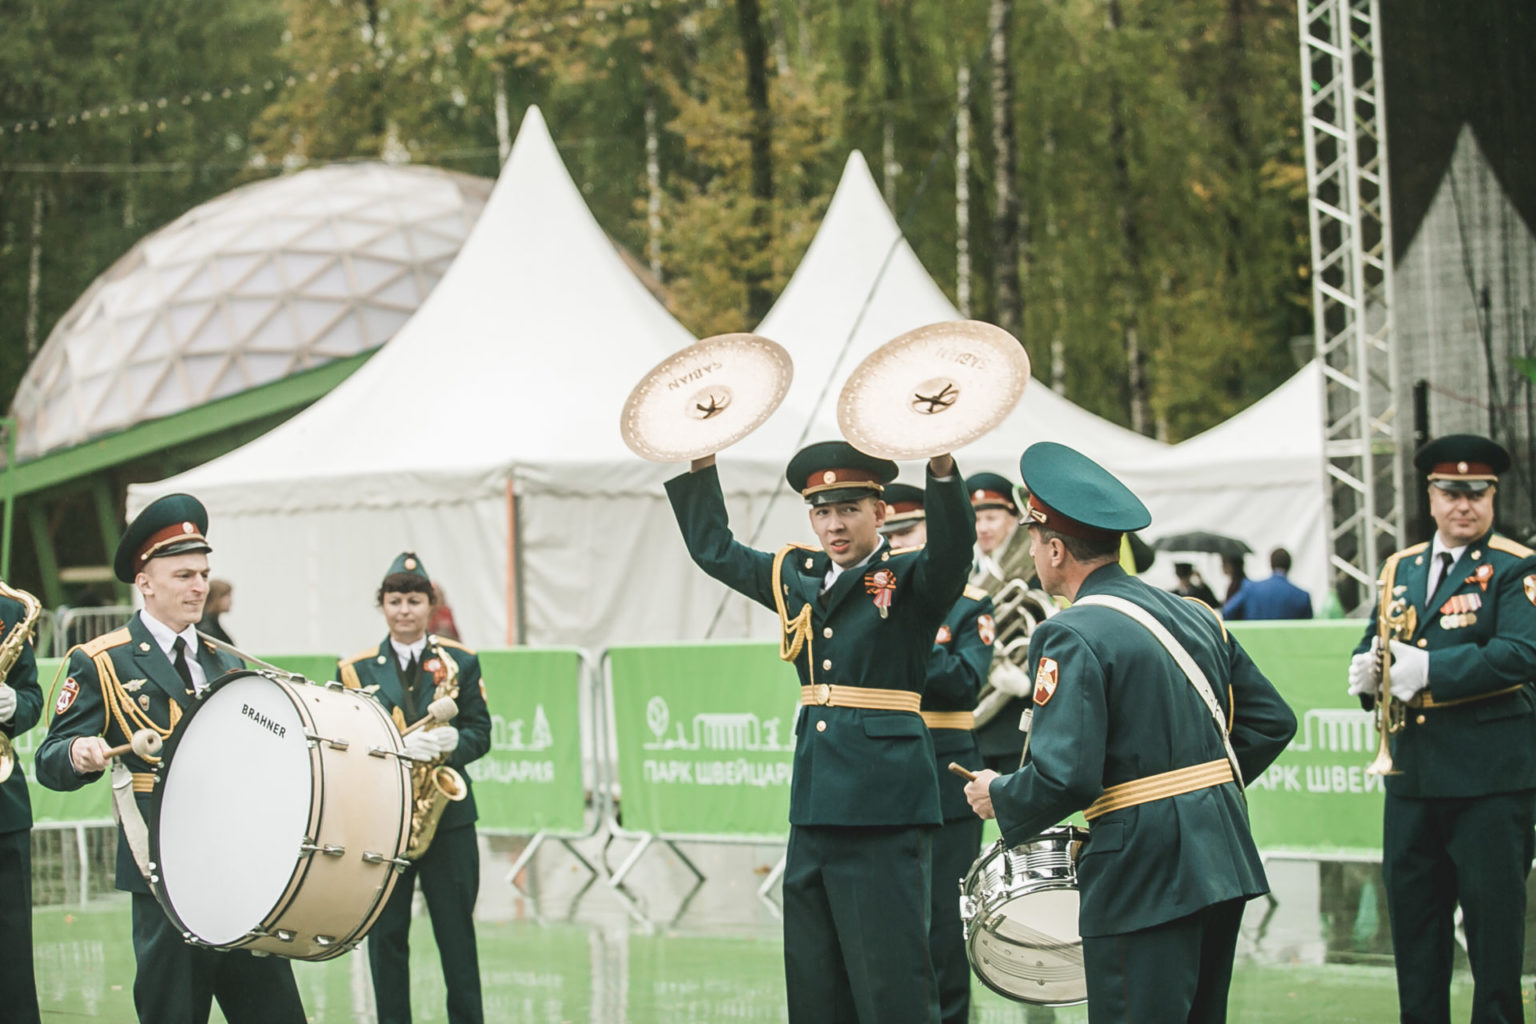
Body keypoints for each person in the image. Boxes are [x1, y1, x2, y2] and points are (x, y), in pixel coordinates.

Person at [963, 442, 1296, 1021]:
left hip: (1142, 868)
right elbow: (1272, 723)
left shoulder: (1069, 633)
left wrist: (998, 795)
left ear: (1057, 548)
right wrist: (1192, 790)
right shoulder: (1195, 612)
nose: (1034, 555)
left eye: (1035, 542)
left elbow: (1067, 777)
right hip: (1221, 853)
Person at [666, 440, 974, 1024]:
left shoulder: (909, 577)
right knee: (815, 980)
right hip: (814, 805)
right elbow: (715, 550)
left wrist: (940, 467)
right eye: (822, 512)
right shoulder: (796, 575)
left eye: (849, 510)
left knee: (892, 982)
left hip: (885, 807)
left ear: (879, 513)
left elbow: (955, 549)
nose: (834, 525)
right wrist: (702, 463)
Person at [34, 494, 306, 1024]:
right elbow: (49, 760)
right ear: (146, 582)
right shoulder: (101, 662)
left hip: (241, 877)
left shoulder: (226, 661)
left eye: (203, 573)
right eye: (184, 574)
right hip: (162, 883)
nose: (199, 586)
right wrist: (78, 752)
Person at [1345, 434, 1536, 1024]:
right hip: (1412, 780)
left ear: (1493, 497)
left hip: (1489, 783)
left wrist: (1427, 672)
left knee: (1494, 940)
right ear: (1430, 497)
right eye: (1452, 493)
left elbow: (1521, 653)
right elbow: (1378, 640)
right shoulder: (1400, 568)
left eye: (1477, 493)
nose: (1464, 505)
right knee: (1416, 937)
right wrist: (1365, 673)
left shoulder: (1516, 566)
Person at [336, 552, 491, 1024]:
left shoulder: (460, 661)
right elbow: (345, 742)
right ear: (382, 605)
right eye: (395, 600)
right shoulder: (354, 669)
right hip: (384, 821)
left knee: (457, 937)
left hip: (449, 822)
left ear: (431, 605)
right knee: (385, 939)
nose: (405, 610)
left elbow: (481, 733)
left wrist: (454, 743)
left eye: (415, 600)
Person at [881, 483, 993, 1024]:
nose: (895, 545)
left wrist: (907, 635)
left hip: (946, 777)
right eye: (888, 536)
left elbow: (965, 682)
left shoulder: (971, 603)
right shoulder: (869, 597)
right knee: (886, 918)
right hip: (882, 775)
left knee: (946, 923)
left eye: (905, 533)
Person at [964, 471, 1038, 774]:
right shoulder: (966, 572)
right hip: (973, 720)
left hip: (1016, 718)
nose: (983, 529)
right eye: (977, 520)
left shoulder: (1035, 571)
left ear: (1012, 517)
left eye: (991, 518)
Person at [0, 580, 44, 1024]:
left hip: (3, 813)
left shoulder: (8, 611)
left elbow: (32, 696)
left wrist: (15, 704)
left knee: (10, 954)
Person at [1223, 547, 1312, 620]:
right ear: (1290, 566)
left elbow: (1227, 612)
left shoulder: (1250, 588)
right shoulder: (1303, 597)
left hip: (1253, 640)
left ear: (1270, 564)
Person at [196, 578, 234, 644]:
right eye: (227, 595)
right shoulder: (205, 627)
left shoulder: (211, 622)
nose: (230, 601)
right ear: (216, 597)